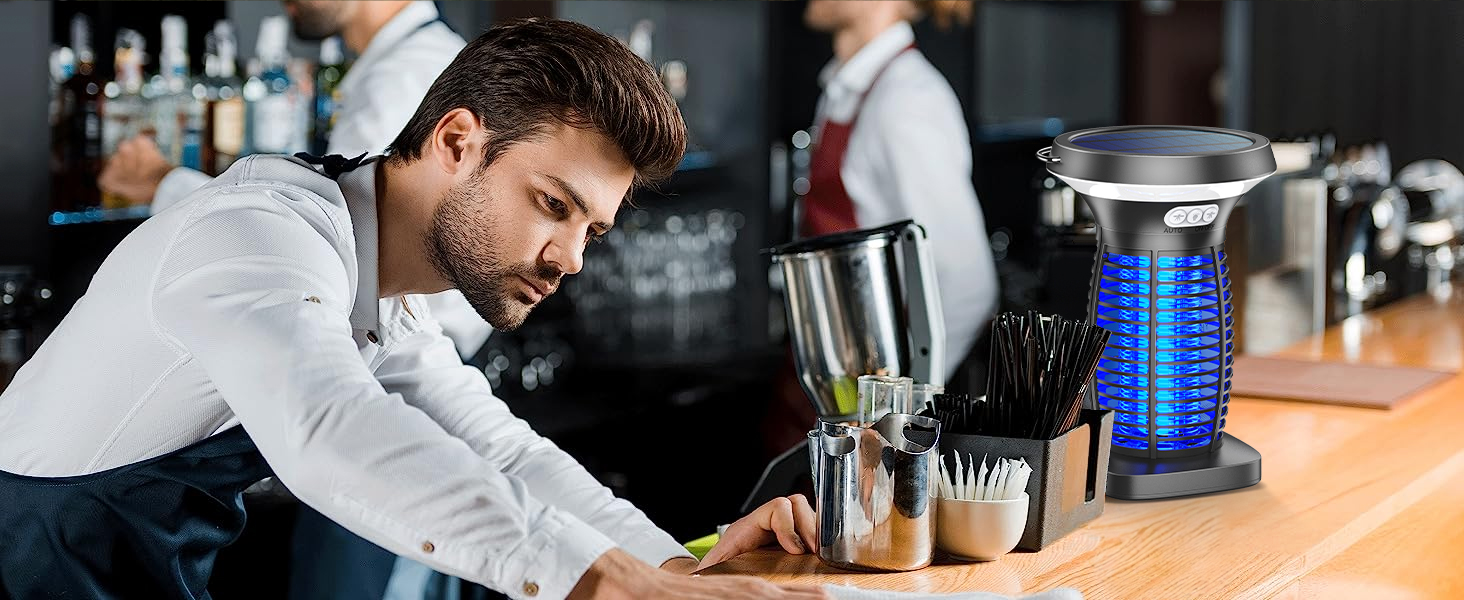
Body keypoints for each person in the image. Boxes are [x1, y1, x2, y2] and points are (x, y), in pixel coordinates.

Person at [0, 19, 825, 600]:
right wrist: (615, 586)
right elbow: (331, 430)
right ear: (457, 142)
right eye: (553, 204)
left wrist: (674, 570)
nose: (572, 258)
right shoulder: (258, 236)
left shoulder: (380, 295)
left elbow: (500, 448)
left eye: (592, 230)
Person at [99, 1, 493, 361]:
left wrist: (163, 182)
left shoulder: (398, 79)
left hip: (404, 357)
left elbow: (323, 236)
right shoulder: (423, 54)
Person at [800, 0, 998, 377]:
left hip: (865, 381)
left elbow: (967, 287)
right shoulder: (847, 86)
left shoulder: (908, 99)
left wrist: (898, 400)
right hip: (830, 363)